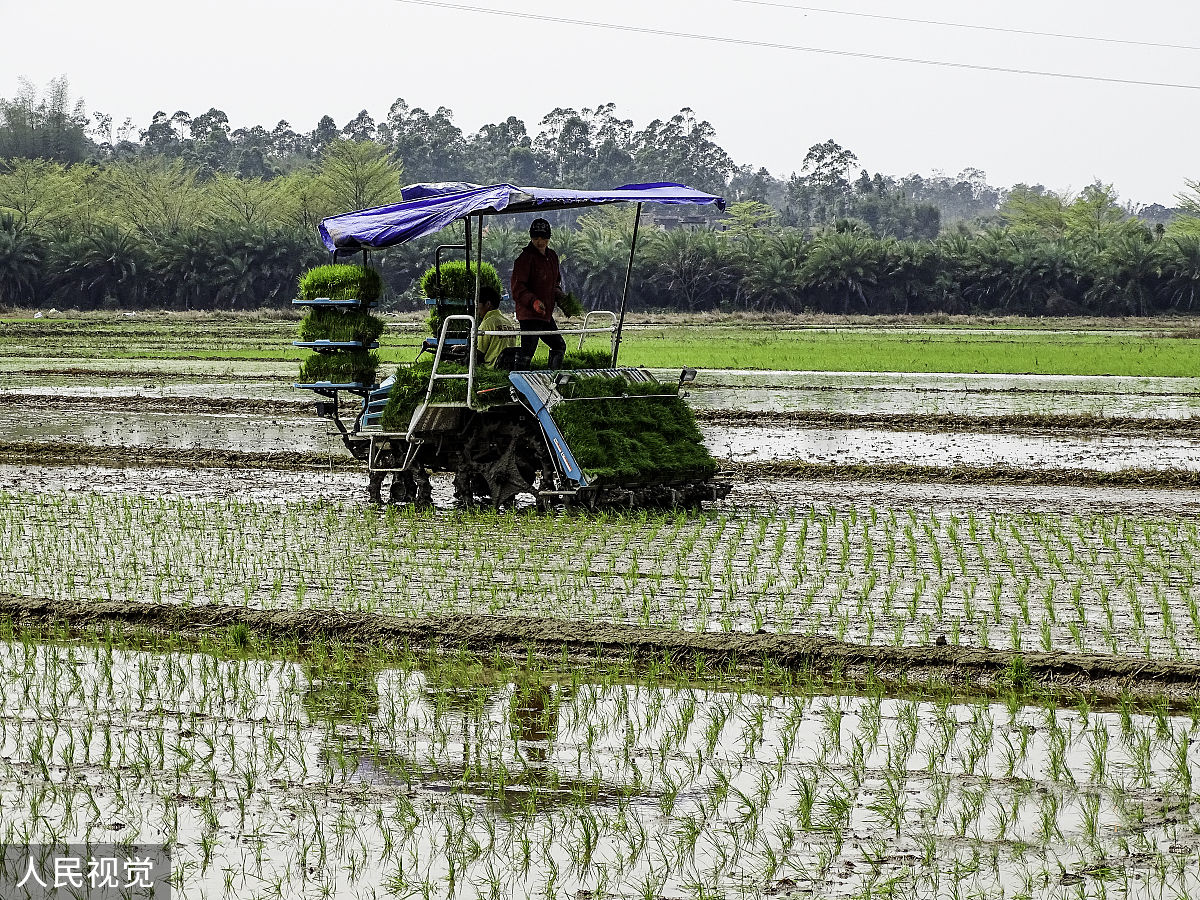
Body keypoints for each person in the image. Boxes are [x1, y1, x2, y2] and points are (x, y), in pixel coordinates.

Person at [510, 218, 568, 369]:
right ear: (531, 237)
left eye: (543, 238)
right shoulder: (524, 259)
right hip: (529, 315)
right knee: (527, 352)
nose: (540, 242)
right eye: (536, 238)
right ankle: (516, 380)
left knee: (559, 345)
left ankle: (552, 378)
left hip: (545, 314)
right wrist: (533, 301)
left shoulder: (552, 257)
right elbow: (518, 289)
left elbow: (555, 283)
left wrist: (560, 297)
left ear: (549, 237)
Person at [474, 286, 517, 368]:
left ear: (488, 304)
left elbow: (478, 353)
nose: (476, 308)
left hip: (491, 368)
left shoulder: (487, 324)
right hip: (508, 367)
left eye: (477, 304)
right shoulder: (508, 322)